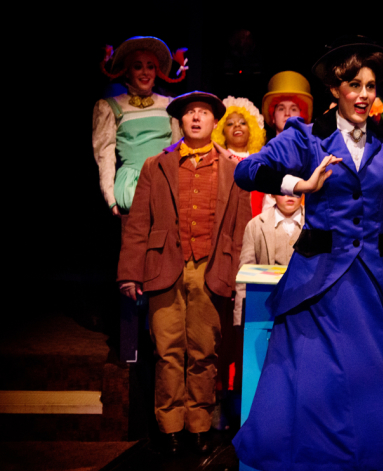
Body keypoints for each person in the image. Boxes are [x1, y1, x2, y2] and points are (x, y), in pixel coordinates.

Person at [232, 36, 383, 471]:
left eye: (371, 86)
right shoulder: (308, 137)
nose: (363, 94)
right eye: (354, 85)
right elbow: (248, 171)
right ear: (336, 89)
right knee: (314, 382)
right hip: (315, 280)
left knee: (369, 381)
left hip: (368, 279)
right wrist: (299, 186)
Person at [117, 91, 251, 455]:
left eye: (203, 113)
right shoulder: (155, 166)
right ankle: (170, 424)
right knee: (168, 350)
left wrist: (238, 275)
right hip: (164, 268)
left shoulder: (235, 168)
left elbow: (241, 228)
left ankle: (199, 424)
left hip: (212, 268)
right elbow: (138, 224)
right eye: (190, 112)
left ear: (214, 121)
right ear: (180, 121)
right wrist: (130, 273)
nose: (195, 118)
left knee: (204, 350)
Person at [93, 36, 187, 216]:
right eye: (138, 66)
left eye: (150, 66)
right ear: (127, 72)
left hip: (166, 184)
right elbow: (104, 154)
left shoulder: (170, 105)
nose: (145, 72)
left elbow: (178, 151)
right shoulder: (110, 107)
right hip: (130, 190)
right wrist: (110, 198)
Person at [234, 194, 304, 325]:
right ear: (273, 193)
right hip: (265, 311)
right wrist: (240, 317)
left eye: (296, 190)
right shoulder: (255, 225)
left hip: (304, 311)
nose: (290, 196)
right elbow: (245, 276)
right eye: (284, 190)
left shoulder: (315, 224)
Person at [257, 71, 314, 212]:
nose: (287, 113)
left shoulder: (312, 152)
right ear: (273, 115)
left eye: (293, 109)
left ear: (302, 115)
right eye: (281, 108)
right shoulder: (261, 154)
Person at [211, 96, 267, 217]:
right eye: (230, 123)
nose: (237, 126)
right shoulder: (218, 161)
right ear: (222, 132)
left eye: (242, 122)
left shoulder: (261, 162)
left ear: (251, 128)